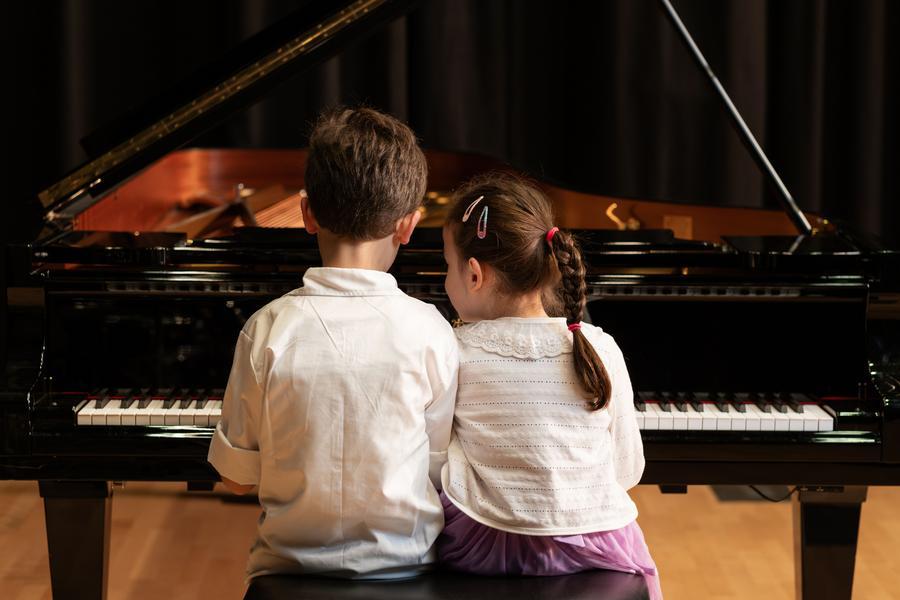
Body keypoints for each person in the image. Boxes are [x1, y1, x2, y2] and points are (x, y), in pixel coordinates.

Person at [208, 107, 459, 581]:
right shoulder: (431, 330)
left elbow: (236, 479)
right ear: (408, 226)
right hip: (404, 570)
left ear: (306, 213)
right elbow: (436, 469)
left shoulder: (266, 329)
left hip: (286, 571)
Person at [438, 173, 661, 599]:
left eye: (446, 265)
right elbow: (627, 470)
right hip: (597, 544)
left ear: (473, 274)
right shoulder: (596, 345)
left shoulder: (453, 347)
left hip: (485, 547)